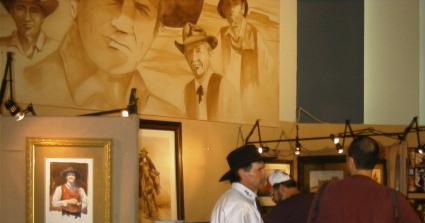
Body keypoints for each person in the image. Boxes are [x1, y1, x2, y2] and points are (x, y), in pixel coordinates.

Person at [24, 0, 180, 114]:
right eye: (113, 2)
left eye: (142, 8)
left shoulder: (167, 114)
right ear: (75, 7)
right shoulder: (25, 89)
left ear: (156, 30)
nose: (124, 23)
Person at [215, 0, 273, 120]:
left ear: (242, 8)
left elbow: (269, 68)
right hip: (228, 105)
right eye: (227, 5)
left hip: (249, 103)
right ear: (223, 10)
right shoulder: (221, 35)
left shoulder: (254, 35)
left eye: (235, 4)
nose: (231, 9)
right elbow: (214, 68)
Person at [175, 22, 242, 121]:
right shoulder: (186, 92)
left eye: (198, 51)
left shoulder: (224, 87)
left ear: (209, 52)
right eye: (189, 52)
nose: (193, 59)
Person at [138, 147, 160, 218]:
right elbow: (136, 166)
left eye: (145, 152)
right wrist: (140, 165)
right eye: (143, 152)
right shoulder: (139, 158)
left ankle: (157, 188)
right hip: (142, 172)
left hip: (148, 171)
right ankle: (139, 192)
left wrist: (155, 170)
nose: (144, 153)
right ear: (141, 153)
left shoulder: (148, 158)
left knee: (154, 177)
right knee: (138, 180)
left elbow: (152, 165)